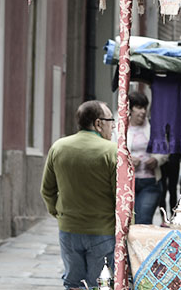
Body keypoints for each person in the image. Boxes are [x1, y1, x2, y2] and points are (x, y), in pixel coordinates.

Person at [41, 100, 117, 289]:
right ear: (99, 123)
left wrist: (58, 213)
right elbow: (121, 197)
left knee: (73, 282)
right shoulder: (111, 151)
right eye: (110, 120)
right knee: (101, 284)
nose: (113, 126)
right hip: (102, 231)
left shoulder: (59, 147)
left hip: (69, 230)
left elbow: (47, 189)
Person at [127, 91, 168, 224]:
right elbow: (111, 151)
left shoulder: (153, 127)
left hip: (150, 182)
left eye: (144, 107)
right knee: (127, 223)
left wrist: (156, 159)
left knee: (143, 220)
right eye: (139, 107)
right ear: (130, 109)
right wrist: (128, 159)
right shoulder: (119, 128)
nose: (143, 111)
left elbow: (165, 149)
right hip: (127, 183)